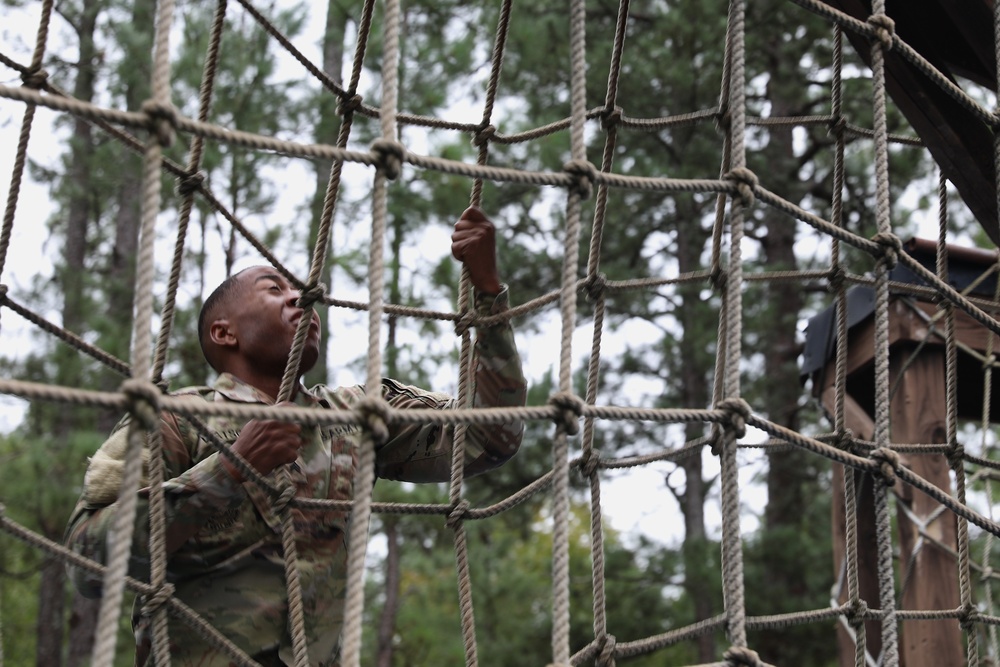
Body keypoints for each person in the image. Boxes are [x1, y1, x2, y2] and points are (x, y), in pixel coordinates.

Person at [65, 206, 527, 667]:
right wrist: (226, 471)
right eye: (274, 290)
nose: (301, 300)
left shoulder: (353, 413)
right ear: (224, 333)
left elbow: (491, 437)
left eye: (301, 292)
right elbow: (85, 558)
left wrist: (488, 294)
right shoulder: (175, 418)